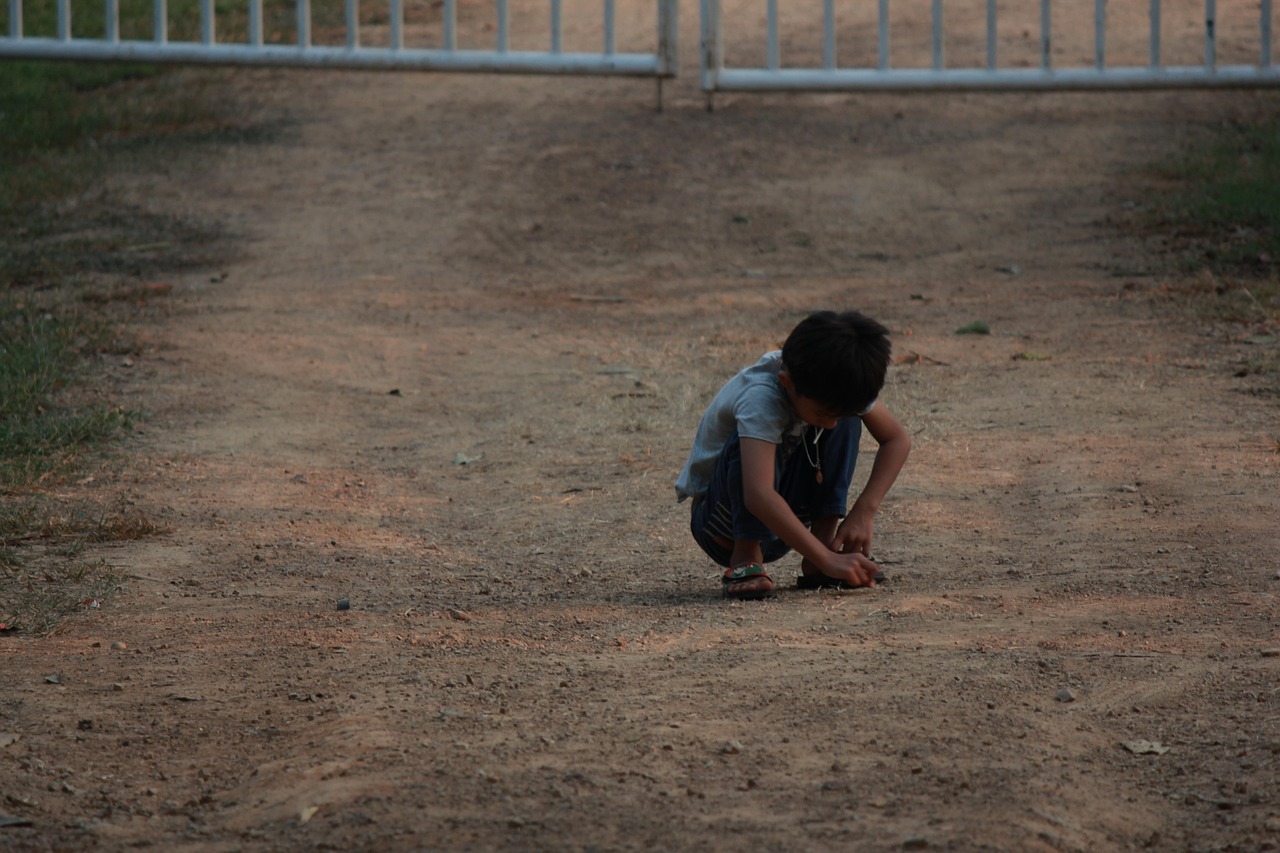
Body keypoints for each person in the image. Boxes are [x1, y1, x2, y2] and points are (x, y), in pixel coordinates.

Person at [675, 310, 911, 600]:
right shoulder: (762, 395)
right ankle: (746, 558)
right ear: (787, 383)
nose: (831, 423)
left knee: (847, 416)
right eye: (823, 412)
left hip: (785, 520)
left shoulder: (839, 377)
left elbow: (897, 440)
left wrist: (864, 512)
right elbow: (758, 493)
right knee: (749, 437)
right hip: (721, 524)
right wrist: (831, 563)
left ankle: (823, 545)